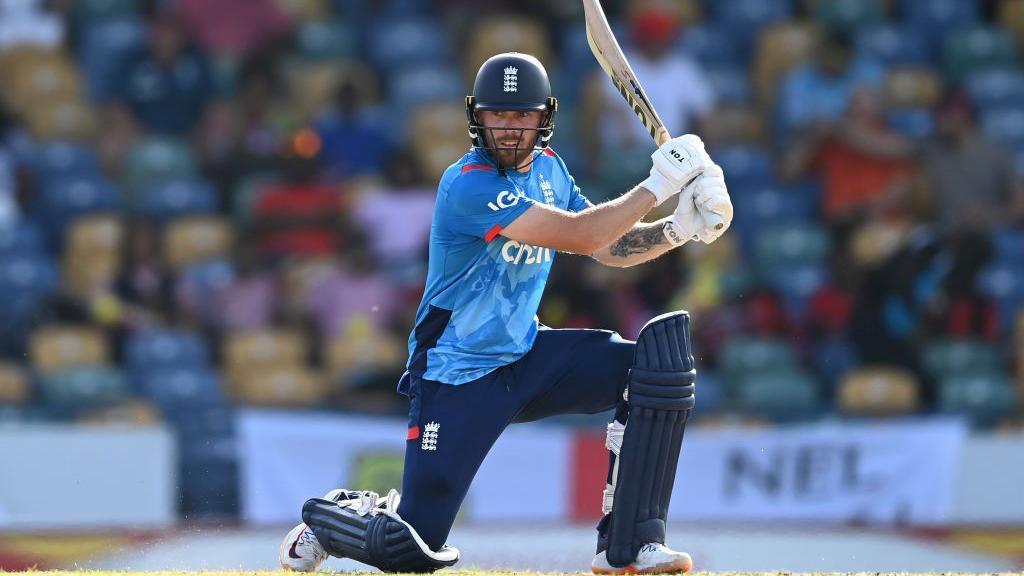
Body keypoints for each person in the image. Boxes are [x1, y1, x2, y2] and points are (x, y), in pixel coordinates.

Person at [278, 53, 733, 574]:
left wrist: (679, 227)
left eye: (523, 116)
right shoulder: (467, 185)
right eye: (499, 115)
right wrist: (658, 185)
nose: (511, 128)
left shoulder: (551, 171)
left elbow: (603, 247)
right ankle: (333, 518)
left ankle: (629, 544)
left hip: (525, 354)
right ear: (478, 118)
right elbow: (582, 235)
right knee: (412, 549)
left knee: (654, 370)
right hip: (457, 373)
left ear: (544, 118)